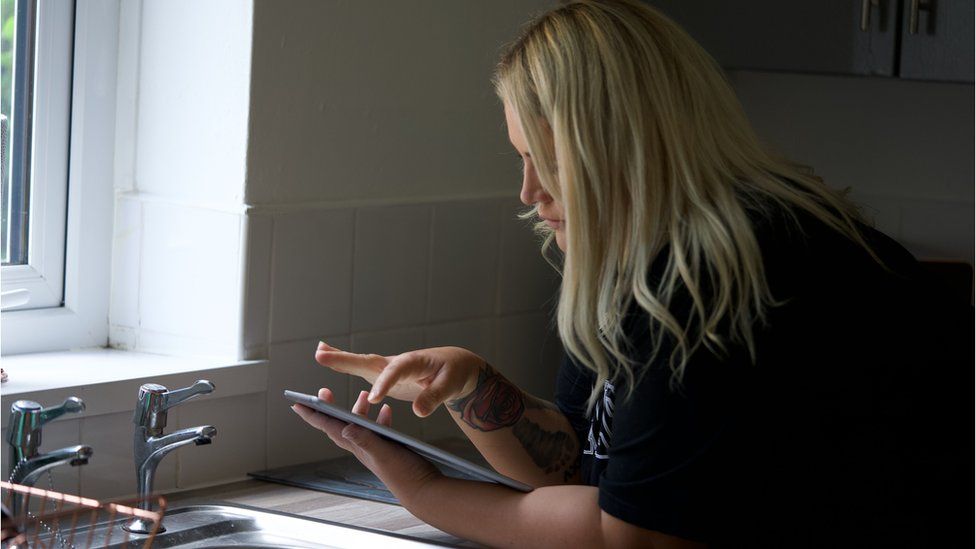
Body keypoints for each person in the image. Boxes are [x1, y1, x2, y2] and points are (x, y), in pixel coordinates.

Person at [292, 1, 971, 547]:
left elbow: (632, 533)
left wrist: (422, 490)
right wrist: (471, 385)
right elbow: (590, 466)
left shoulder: (717, 276)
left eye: (545, 160)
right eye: (520, 159)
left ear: (612, 145)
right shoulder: (647, 254)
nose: (529, 191)